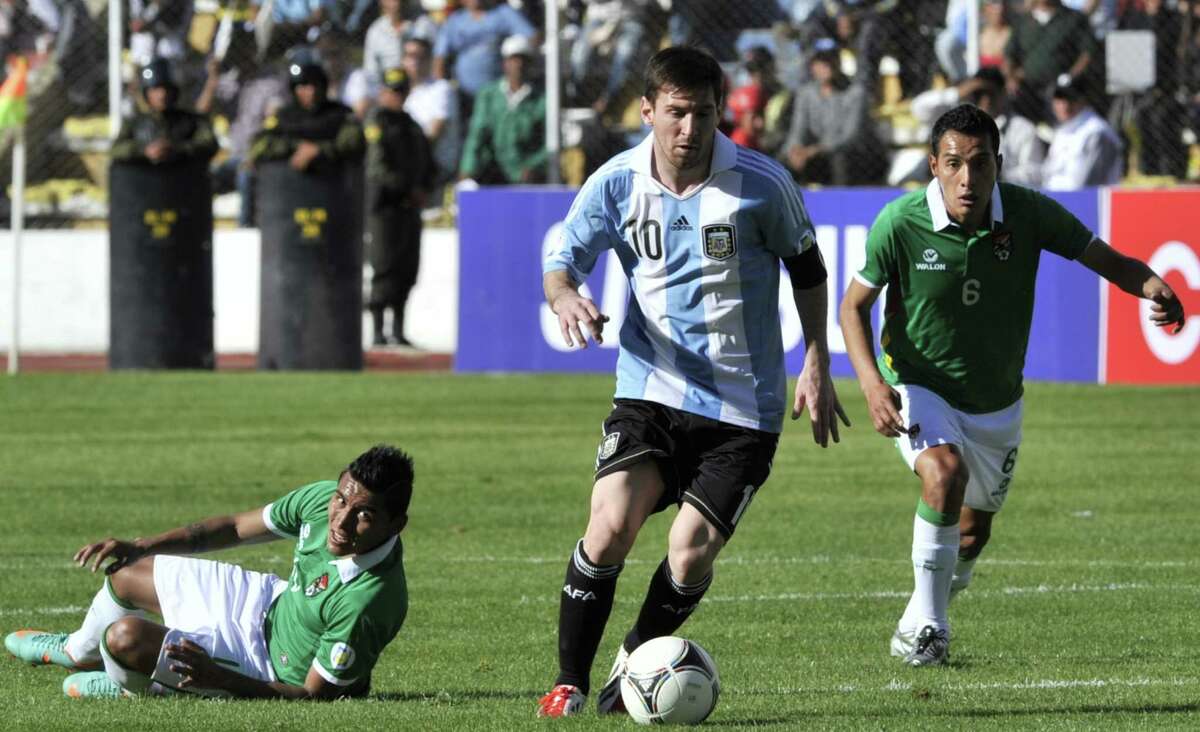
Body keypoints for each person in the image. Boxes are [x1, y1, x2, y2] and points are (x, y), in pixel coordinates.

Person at [537, 46, 848, 717]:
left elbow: (809, 270)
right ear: (648, 111)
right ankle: (568, 680)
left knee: (689, 553)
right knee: (611, 524)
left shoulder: (761, 184)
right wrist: (565, 296)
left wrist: (818, 359)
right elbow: (562, 262)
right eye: (676, 113)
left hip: (744, 408)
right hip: (650, 390)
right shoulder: (616, 183)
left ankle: (634, 665)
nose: (690, 128)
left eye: (703, 113)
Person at [839, 104, 1186, 668]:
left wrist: (1150, 283)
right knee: (943, 474)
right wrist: (873, 385)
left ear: (998, 164)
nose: (967, 179)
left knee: (972, 536)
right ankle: (929, 630)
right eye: (953, 164)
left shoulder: (1026, 213)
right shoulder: (900, 223)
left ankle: (919, 615)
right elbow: (853, 308)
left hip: (996, 402)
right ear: (933, 165)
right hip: (919, 384)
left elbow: (1099, 255)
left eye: (979, 164)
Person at [4, 445, 414, 699]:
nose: (341, 521)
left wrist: (221, 678)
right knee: (127, 572)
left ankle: (138, 690)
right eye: (341, 500)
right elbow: (235, 526)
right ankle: (77, 651)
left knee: (125, 638)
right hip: (266, 605)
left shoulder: (370, 599)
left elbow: (313, 695)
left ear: (396, 524)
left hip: (267, 668)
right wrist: (143, 545)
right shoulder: (321, 500)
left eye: (363, 515)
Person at [365, 67, 436, 347]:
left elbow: (428, 164)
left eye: (401, 91)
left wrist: (423, 189)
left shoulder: (411, 125)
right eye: (393, 90)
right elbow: (377, 167)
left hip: (409, 207)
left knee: (407, 268)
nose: (397, 96)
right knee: (384, 266)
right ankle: (378, 331)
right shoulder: (377, 123)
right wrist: (408, 188)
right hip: (385, 207)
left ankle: (398, 329)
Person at [911, 67, 1044, 188]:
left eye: (991, 93)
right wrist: (958, 93)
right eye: (979, 93)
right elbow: (918, 109)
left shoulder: (1023, 129)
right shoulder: (957, 122)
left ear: (1003, 93)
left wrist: (995, 174)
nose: (985, 99)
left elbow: (1035, 175)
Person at [249, 48, 365, 173]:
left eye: (315, 85)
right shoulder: (283, 116)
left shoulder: (341, 113)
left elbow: (353, 142)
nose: (311, 91)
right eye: (303, 86)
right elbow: (260, 144)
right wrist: (296, 147)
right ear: (294, 89)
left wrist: (319, 150)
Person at [783, 48, 886, 185]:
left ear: (838, 64)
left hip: (853, 155)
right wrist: (795, 150)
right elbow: (797, 129)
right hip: (815, 153)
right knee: (783, 160)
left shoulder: (855, 93)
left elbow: (850, 137)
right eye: (821, 63)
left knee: (839, 159)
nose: (827, 67)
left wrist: (816, 150)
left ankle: (842, 202)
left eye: (830, 62)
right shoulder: (805, 94)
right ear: (813, 67)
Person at [458, 35, 546, 184]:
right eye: (513, 59)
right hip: (490, 173)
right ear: (504, 63)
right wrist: (467, 169)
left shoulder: (541, 100)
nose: (518, 64)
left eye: (523, 59)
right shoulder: (488, 95)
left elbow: (548, 144)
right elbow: (477, 135)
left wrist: (532, 166)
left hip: (525, 177)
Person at [110, 58, 218, 166]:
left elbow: (209, 144)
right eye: (156, 89)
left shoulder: (191, 120)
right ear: (146, 93)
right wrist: (144, 150)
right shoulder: (135, 122)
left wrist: (177, 149)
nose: (162, 95)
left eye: (166, 88)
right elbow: (116, 149)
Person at [1041, 77, 1122, 189]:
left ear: (1083, 100)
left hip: (1085, 203)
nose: (1064, 105)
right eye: (1059, 98)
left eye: (1070, 98)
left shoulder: (1097, 132)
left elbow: (1089, 187)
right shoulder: (1062, 132)